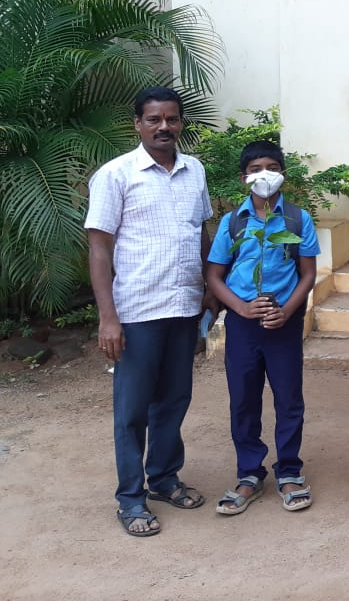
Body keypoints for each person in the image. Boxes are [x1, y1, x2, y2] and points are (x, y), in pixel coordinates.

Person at [85, 86, 215, 537]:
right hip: (137, 310)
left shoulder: (193, 171)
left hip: (182, 307)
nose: (164, 127)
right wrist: (108, 317)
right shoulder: (116, 175)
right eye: (154, 119)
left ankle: (163, 478)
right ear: (137, 124)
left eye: (172, 119)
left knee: (175, 399)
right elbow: (100, 249)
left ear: (181, 124)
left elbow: (201, 231)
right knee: (133, 409)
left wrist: (206, 290)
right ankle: (131, 498)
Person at [205, 141, 320, 516]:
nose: (264, 175)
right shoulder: (233, 222)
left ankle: (289, 470)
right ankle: (248, 473)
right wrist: (240, 307)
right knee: (243, 398)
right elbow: (215, 275)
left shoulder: (297, 220)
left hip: (283, 322)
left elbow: (308, 273)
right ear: (244, 178)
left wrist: (287, 311)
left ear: (283, 172)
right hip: (244, 323)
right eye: (256, 169)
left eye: (272, 166)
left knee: (289, 399)